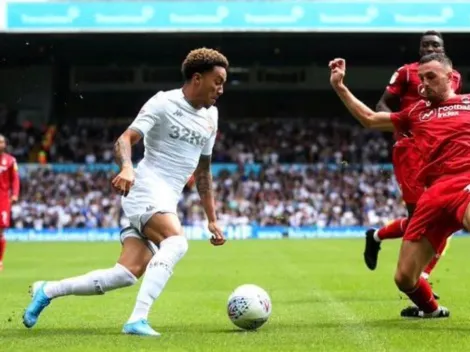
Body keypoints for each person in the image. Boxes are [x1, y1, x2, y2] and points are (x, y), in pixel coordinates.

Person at [22, 47, 229, 335]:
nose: (221, 89)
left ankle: (48, 290)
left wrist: (212, 218)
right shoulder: (163, 102)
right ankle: (137, 320)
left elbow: (203, 171)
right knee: (177, 242)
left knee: (125, 274)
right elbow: (125, 139)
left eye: (224, 83)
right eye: (217, 81)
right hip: (145, 185)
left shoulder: (212, 117)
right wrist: (127, 168)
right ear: (197, 78)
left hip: (167, 197)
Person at [329, 52, 470, 318]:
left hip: (467, 182)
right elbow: (370, 119)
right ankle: (431, 310)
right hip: (435, 193)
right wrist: (340, 86)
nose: (424, 84)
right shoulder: (416, 113)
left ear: (450, 78)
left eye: (431, 77)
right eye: (421, 78)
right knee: (404, 278)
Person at [364, 31, 462, 295]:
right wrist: (404, 127)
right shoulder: (406, 72)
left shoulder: (452, 77)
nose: (431, 47)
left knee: (439, 217)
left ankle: (420, 272)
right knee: (419, 216)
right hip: (409, 149)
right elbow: (381, 104)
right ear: (419, 49)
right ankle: (410, 267)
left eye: (435, 44)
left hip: (439, 153)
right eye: (426, 44)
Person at [0, 134, 20, 271]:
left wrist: (15, 194)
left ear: (4, 144)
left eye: (1, 142)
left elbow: (15, 179)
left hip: (2, 199)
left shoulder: (10, 160)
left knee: (0, 231)